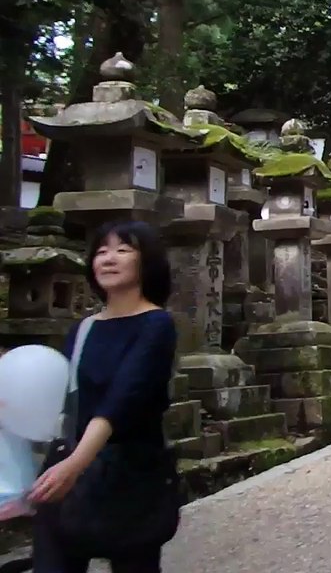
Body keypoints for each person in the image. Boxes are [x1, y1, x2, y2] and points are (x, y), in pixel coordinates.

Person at [31, 220, 181, 573]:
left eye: (122, 250)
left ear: (147, 261)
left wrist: (75, 464)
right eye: (101, 251)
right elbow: (59, 395)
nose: (109, 259)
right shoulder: (83, 329)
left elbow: (123, 399)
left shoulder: (157, 325)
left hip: (130, 476)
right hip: (69, 469)